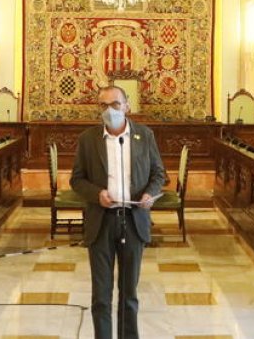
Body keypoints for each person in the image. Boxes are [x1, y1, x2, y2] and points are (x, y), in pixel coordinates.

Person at [70, 85, 166, 339]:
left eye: (115, 104)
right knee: (101, 295)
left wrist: (149, 194)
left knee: (129, 294)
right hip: (101, 222)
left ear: (127, 106)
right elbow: (77, 180)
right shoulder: (88, 139)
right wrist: (96, 194)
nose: (109, 110)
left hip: (133, 221)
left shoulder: (144, 135)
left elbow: (158, 173)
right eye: (103, 105)